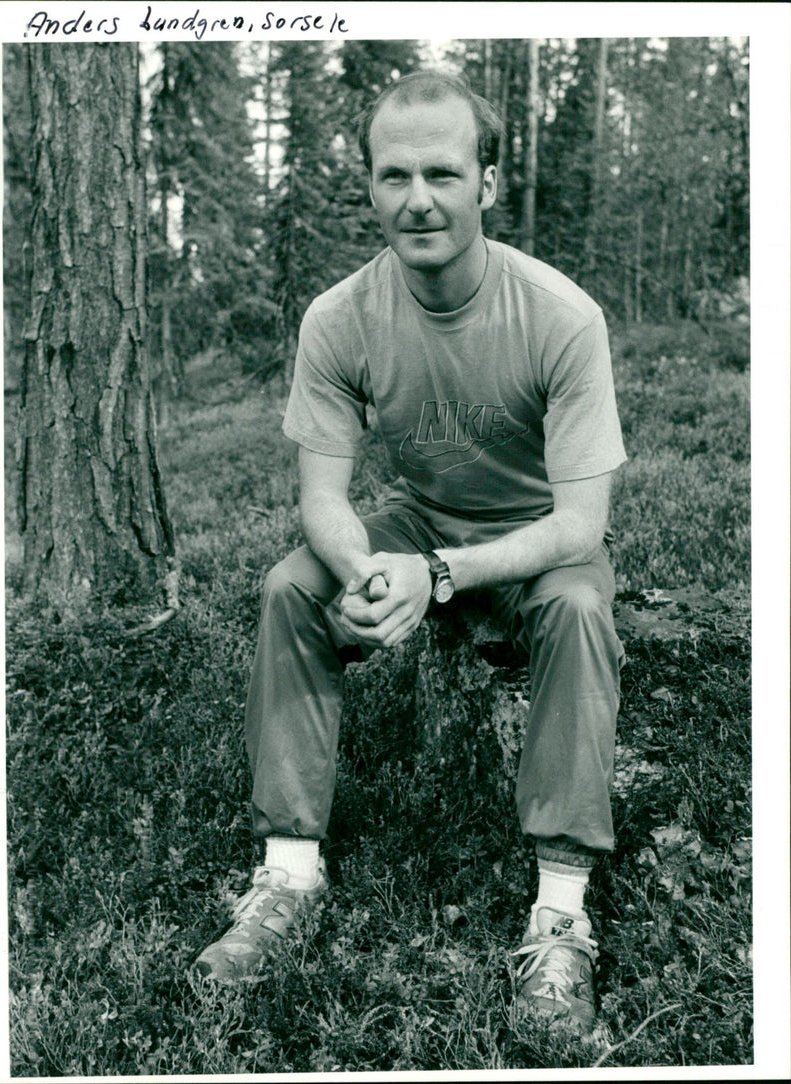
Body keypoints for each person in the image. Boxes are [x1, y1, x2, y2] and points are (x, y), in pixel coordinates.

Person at [194, 70, 627, 1034]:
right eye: (394, 176)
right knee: (288, 589)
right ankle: (288, 876)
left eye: (442, 172)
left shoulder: (561, 316)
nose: (418, 199)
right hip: (418, 523)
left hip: (535, 541)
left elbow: (581, 527)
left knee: (579, 607)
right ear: (371, 187)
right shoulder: (339, 318)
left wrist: (438, 578)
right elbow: (321, 497)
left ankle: (560, 917)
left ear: (488, 181)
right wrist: (364, 573)